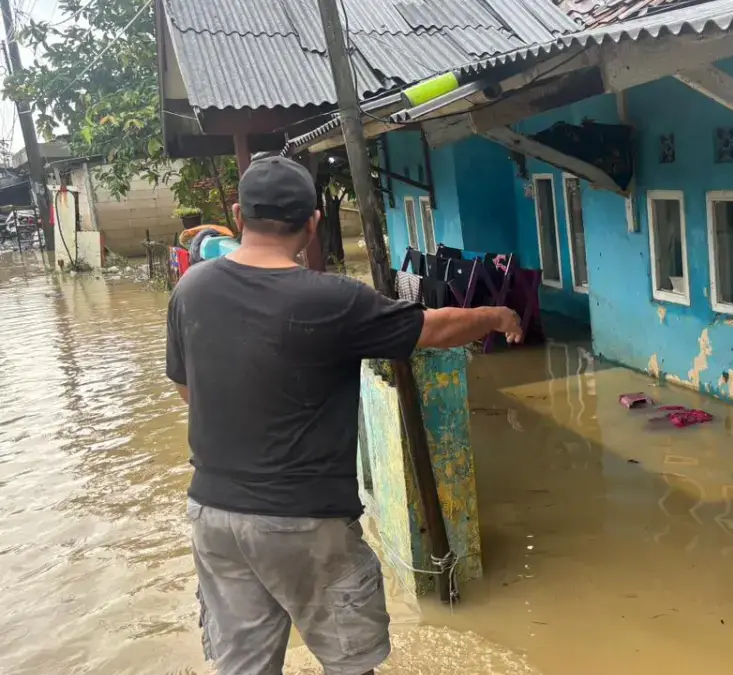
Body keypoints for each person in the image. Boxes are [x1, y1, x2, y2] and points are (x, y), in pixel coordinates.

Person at [166, 155, 522, 675]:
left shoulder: (191, 289)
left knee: (241, 666)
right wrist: (497, 314)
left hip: (214, 516)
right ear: (313, 222)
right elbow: (432, 329)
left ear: (239, 215)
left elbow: (187, 391)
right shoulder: (331, 299)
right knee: (350, 662)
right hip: (306, 521)